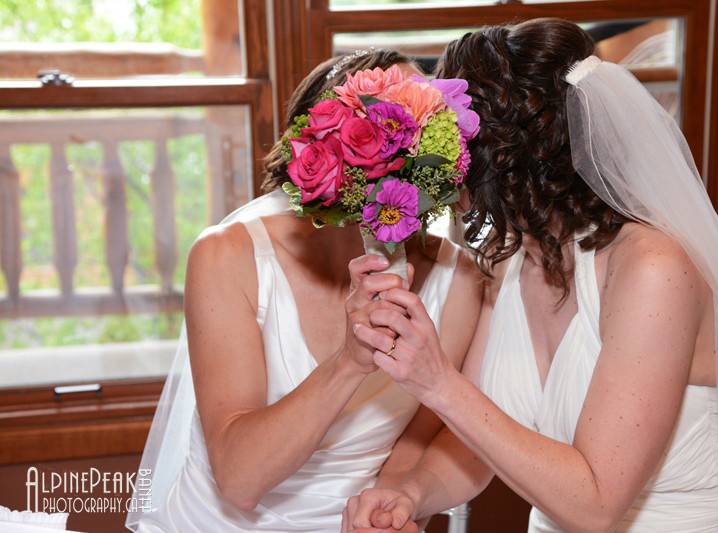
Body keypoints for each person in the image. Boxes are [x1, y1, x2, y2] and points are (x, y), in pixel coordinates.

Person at [343, 19, 718, 533]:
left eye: (448, 148)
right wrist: (408, 494)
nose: (440, 171)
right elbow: (480, 446)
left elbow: (596, 504)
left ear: (502, 159)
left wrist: (437, 382)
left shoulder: (654, 268)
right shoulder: (510, 261)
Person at [125, 49, 483, 533]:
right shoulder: (228, 257)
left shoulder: (456, 278)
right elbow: (238, 479)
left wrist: (391, 503)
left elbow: (415, 443)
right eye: (395, 136)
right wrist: (350, 361)